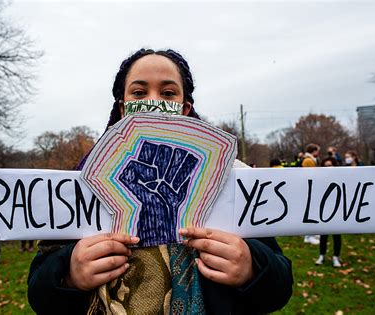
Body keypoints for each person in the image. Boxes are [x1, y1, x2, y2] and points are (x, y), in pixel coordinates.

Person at [27, 48, 293, 314]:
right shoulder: (81, 185)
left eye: (167, 93)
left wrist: (251, 268)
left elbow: (279, 287)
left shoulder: (230, 180)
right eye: (139, 93)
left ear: (185, 108)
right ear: (122, 108)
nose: (153, 103)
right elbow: (40, 294)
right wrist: (70, 275)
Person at [315, 157, 342, 267]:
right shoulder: (320, 178)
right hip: (324, 210)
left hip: (337, 209)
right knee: (323, 235)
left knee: (337, 235)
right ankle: (321, 256)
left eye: (330, 165)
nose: (328, 167)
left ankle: (336, 257)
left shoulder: (339, 177)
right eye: (326, 165)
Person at [301, 143, 321, 245]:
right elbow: (310, 175)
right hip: (309, 187)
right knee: (310, 210)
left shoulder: (311, 159)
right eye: (317, 150)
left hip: (312, 187)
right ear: (314, 150)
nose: (318, 152)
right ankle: (308, 235)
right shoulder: (308, 160)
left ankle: (313, 233)